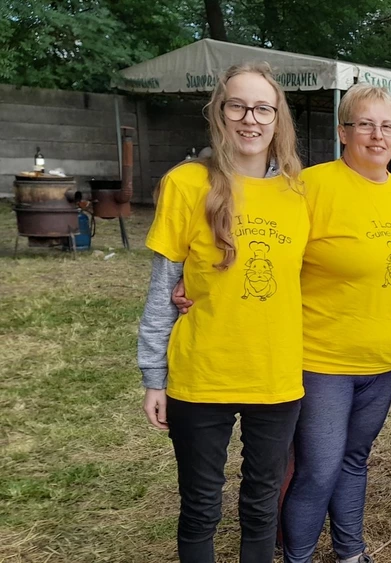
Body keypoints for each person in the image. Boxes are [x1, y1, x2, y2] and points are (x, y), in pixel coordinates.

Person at [173, 84, 391, 563]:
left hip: (385, 359)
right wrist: (199, 283)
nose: (377, 136)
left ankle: (351, 551)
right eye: (365, 124)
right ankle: (299, 555)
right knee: (318, 468)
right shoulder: (308, 186)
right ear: (343, 131)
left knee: (354, 460)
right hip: (321, 356)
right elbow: (261, 245)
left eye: (387, 126)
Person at [138, 61, 308, 563]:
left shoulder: (298, 192)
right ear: (219, 112)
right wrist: (154, 376)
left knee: (260, 507)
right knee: (200, 508)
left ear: (278, 119)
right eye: (238, 105)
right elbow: (162, 288)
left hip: (274, 376)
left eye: (262, 108)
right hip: (201, 375)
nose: (250, 119)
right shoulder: (187, 183)